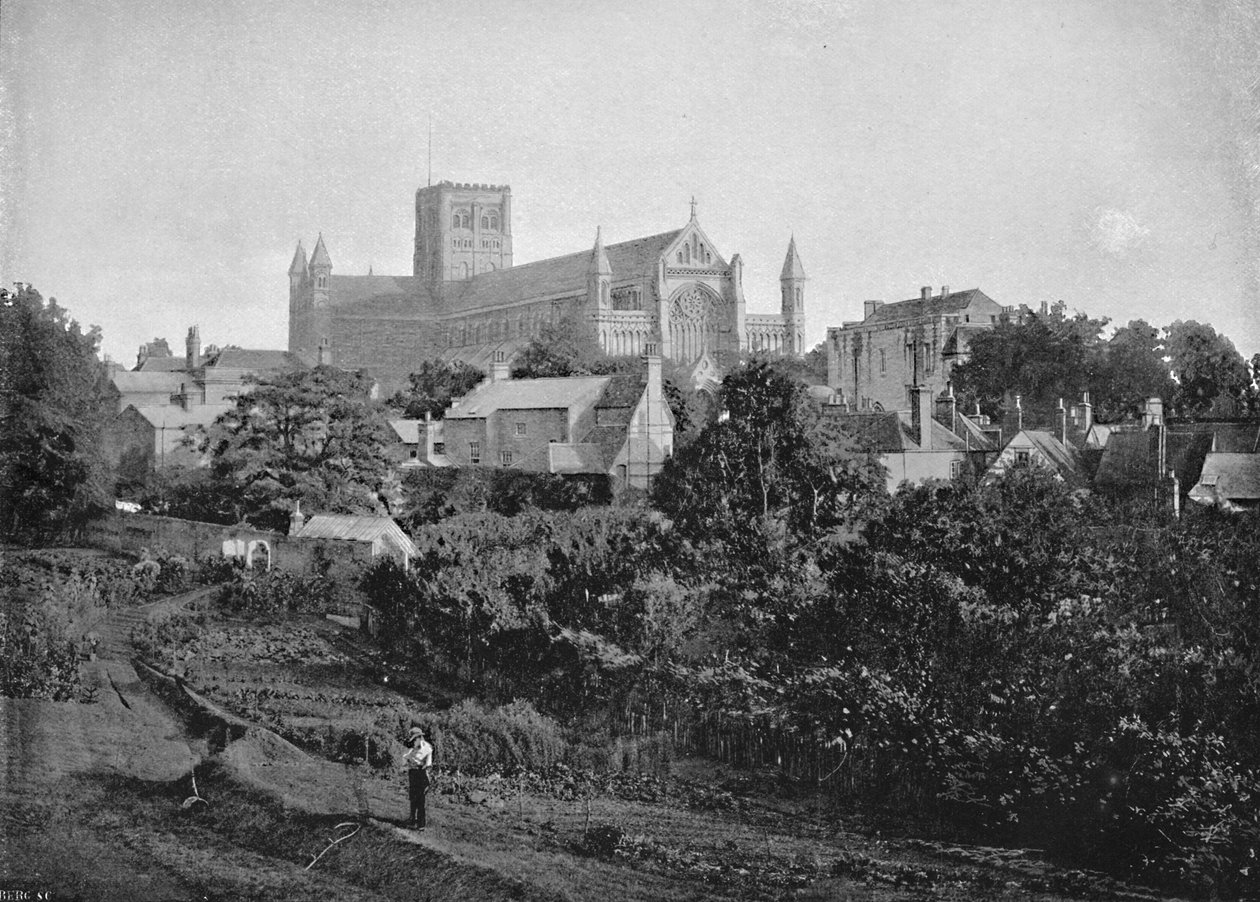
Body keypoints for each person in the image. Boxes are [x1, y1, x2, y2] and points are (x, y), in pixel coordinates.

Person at [402, 726, 433, 828]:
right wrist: (407, 765)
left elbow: (428, 764)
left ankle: (421, 824)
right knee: (413, 797)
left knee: (421, 799)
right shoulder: (409, 748)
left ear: (420, 738)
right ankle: (412, 819)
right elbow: (404, 760)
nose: (414, 741)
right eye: (412, 740)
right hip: (413, 773)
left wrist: (423, 769)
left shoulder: (427, 748)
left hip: (422, 774)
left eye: (415, 739)